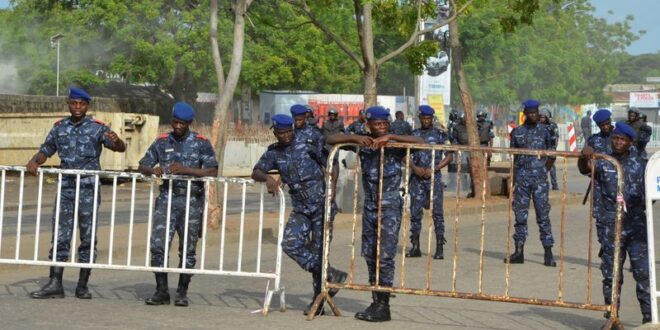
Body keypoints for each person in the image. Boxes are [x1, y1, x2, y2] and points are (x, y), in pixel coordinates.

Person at [27, 87, 126, 299]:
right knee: (61, 235)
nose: (78, 107)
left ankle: (82, 284)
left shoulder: (97, 128)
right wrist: (35, 160)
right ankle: (55, 283)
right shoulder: (59, 127)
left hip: (88, 188)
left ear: (87, 106)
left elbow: (119, 148)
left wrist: (117, 141)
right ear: (69, 104)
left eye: (81, 104)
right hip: (66, 189)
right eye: (74, 103)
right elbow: (46, 150)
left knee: (88, 236)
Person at [327, 106, 424, 322]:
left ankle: (384, 304)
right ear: (368, 125)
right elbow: (331, 138)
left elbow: (422, 142)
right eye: (377, 125)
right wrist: (357, 138)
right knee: (370, 254)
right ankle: (376, 300)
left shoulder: (394, 141)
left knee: (385, 255)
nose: (381, 128)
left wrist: (391, 137)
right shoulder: (365, 141)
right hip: (370, 205)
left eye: (384, 124)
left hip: (389, 205)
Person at [252, 114, 347, 316]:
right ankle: (329, 274)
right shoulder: (274, 153)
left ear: (293, 131)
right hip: (301, 208)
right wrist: (268, 177)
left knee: (320, 249)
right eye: (281, 133)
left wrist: (332, 187)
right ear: (275, 133)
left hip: (321, 204)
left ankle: (318, 301)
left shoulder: (308, 145)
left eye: (288, 132)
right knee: (290, 243)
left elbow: (332, 160)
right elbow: (256, 171)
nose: (285, 136)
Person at [138, 102, 219, 307]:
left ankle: (182, 292)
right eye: (175, 122)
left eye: (182, 123)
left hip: (192, 201)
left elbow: (212, 171)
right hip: (166, 200)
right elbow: (142, 165)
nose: (178, 126)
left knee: (188, 249)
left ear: (189, 123)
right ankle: (161, 291)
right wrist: (152, 170)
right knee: (158, 246)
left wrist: (186, 170)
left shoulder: (201, 143)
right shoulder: (162, 141)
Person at [577, 123, 650, 324]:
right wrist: (584, 157)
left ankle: (648, 318)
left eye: (622, 139)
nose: (618, 142)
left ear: (630, 142)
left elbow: (651, 193)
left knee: (642, 273)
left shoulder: (641, 164)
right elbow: (586, 168)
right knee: (611, 275)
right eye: (616, 138)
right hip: (611, 226)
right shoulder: (604, 161)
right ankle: (613, 318)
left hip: (636, 227)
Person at [505, 99, 557, 267]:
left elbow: (552, 154)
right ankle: (519, 251)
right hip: (522, 179)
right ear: (525, 114)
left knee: (543, 216)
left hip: (539, 180)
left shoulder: (545, 131)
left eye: (536, 113)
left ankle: (548, 252)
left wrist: (544, 170)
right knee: (520, 216)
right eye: (531, 113)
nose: (534, 115)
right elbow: (513, 157)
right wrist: (512, 179)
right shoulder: (517, 132)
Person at [406, 105, 452, 260]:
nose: (426, 121)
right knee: (415, 213)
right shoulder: (413, 134)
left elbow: (449, 156)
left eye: (428, 118)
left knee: (437, 213)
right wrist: (414, 168)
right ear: (420, 119)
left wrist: (435, 168)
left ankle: (439, 247)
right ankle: (416, 246)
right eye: (423, 118)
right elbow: (405, 155)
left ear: (432, 118)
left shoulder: (440, 135)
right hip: (417, 179)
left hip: (434, 178)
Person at [585, 109, 615, 248]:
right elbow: (586, 165)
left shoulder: (620, 137)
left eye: (607, 123)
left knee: (620, 220)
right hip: (599, 186)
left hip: (618, 186)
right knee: (600, 220)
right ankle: (604, 246)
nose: (605, 127)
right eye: (602, 125)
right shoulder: (593, 140)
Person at [450, 112, 474, 197]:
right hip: (462, 150)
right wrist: (456, 150)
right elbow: (454, 139)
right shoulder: (457, 128)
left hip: (472, 150)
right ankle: (463, 187)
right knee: (462, 170)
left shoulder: (473, 127)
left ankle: (472, 188)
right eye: (464, 119)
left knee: (472, 169)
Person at [539, 108, 559, 190]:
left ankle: (554, 185)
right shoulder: (538, 125)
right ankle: (543, 183)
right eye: (540, 117)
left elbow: (556, 137)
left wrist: (554, 148)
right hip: (541, 148)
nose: (542, 118)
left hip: (551, 148)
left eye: (543, 117)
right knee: (541, 166)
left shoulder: (553, 125)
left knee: (552, 167)